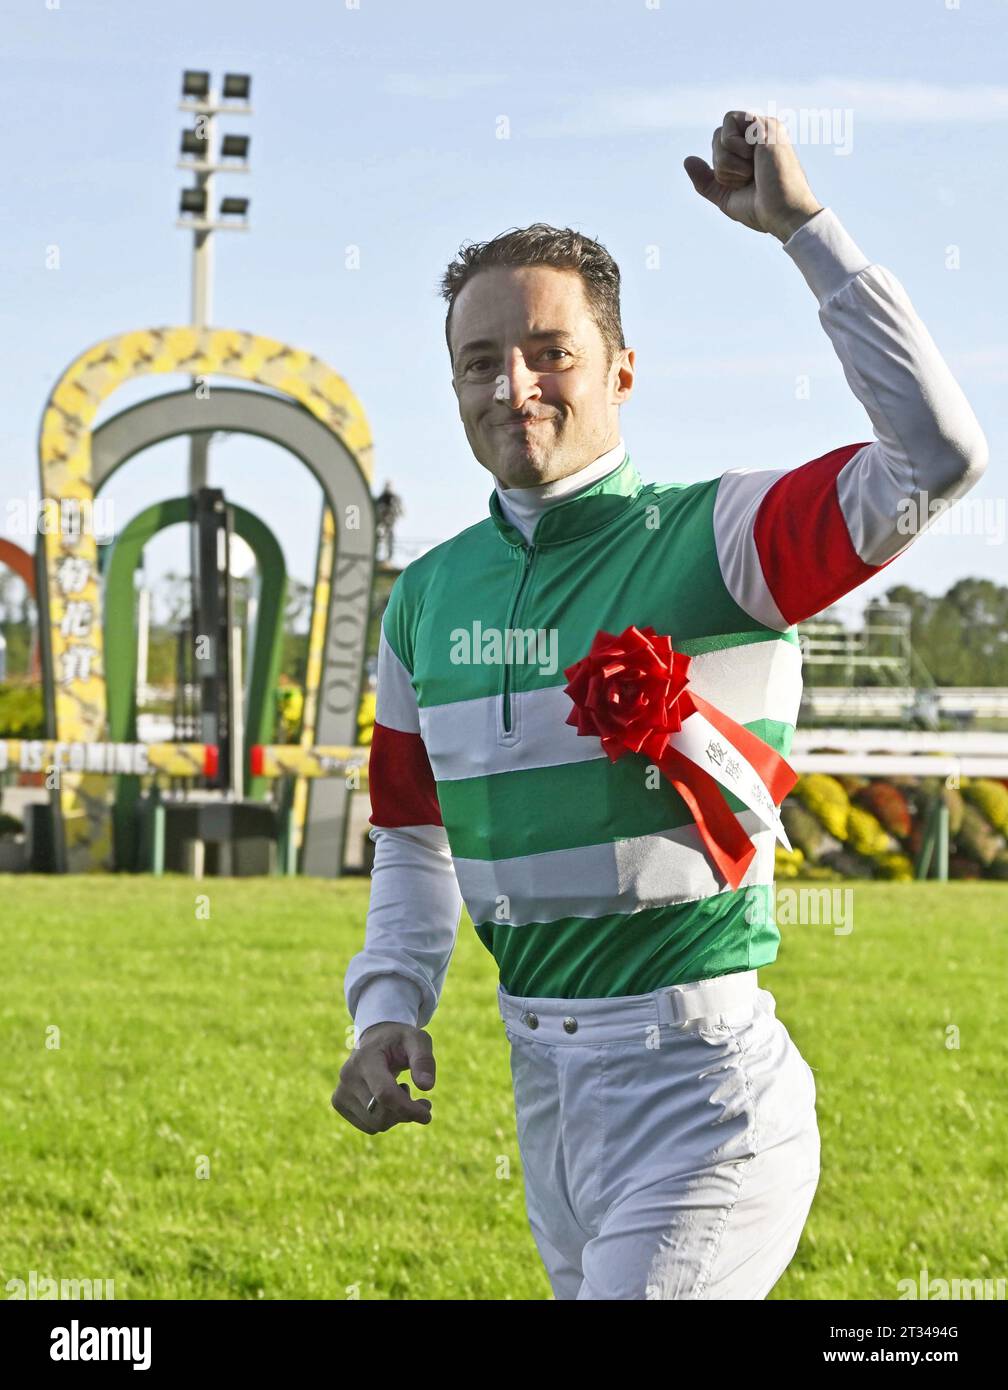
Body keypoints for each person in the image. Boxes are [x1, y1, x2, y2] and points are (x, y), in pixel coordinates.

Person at [331, 111, 988, 1300]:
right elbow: (415, 840)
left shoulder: (719, 537)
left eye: (550, 352)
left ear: (622, 371)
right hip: (545, 1100)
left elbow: (937, 457)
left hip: (704, 1098)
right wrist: (387, 1005)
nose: (513, 386)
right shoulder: (422, 600)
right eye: (479, 362)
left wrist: (805, 230)